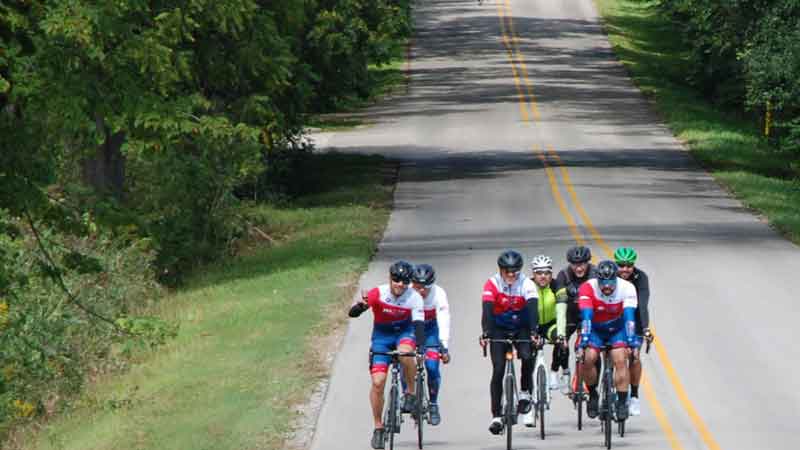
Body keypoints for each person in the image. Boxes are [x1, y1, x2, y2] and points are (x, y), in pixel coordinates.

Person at [349, 261, 425, 449]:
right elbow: (354, 313)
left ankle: (410, 393)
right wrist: (360, 306)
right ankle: (378, 427)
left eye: (404, 281)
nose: (400, 284)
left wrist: (421, 348)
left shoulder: (414, 297)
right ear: (390, 279)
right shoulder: (378, 293)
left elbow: (419, 326)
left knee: (405, 353)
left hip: (404, 334)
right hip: (382, 337)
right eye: (396, 280)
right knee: (377, 382)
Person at [480, 250, 540, 435]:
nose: (511, 274)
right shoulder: (492, 283)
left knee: (526, 355)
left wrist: (533, 332)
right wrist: (486, 334)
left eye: (515, 271)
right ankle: (496, 416)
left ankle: (524, 392)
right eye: (507, 271)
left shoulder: (527, 284)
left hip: (521, 326)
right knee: (498, 369)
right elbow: (487, 311)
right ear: (501, 270)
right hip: (499, 327)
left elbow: (532, 310)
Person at [577, 260, 639, 422]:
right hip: (595, 329)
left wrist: (632, 342)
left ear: (616, 280)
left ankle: (621, 402)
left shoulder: (627, 287)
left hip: (617, 330)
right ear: (597, 280)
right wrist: (583, 342)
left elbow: (629, 318)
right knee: (588, 358)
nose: (607, 287)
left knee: (620, 359)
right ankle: (593, 394)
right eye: (603, 284)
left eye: (610, 284)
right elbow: (586, 317)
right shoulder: (587, 287)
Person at [522, 254, 564, 427]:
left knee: (561, 340)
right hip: (531, 326)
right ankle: (529, 408)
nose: (543, 276)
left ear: (551, 274)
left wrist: (561, 334)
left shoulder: (557, 286)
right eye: (539, 273)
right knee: (528, 361)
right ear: (533, 273)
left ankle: (554, 373)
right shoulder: (526, 286)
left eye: (546, 273)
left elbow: (562, 311)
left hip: (551, 325)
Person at [409, 263, 451, 426]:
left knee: (432, 366)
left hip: (431, 330)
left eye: (425, 287)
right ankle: (409, 394)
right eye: (417, 286)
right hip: (411, 329)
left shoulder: (438, 294)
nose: (421, 291)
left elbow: (444, 319)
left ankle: (433, 404)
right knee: (408, 363)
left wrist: (444, 345)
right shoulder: (407, 293)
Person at [614, 247, 653, 417]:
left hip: (635, 320)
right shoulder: (610, 276)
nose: (625, 269)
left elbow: (642, 305)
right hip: (614, 320)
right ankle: (609, 384)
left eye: (629, 266)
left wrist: (645, 328)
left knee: (634, 357)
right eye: (621, 265)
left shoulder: (641, 278)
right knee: (611, 355)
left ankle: (635, 395)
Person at [552, 246, 596, 385]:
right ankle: (557, 370)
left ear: (588, 262)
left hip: (588, 314)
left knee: (592, 348)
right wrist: (561, 333)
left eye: (582, 264)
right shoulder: (563, 275)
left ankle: (588, 380)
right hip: (569, 313)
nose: (579, 268)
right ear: (570, 264)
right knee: (561, 342)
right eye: (575, 265)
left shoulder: (595, 273)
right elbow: (560, 304)